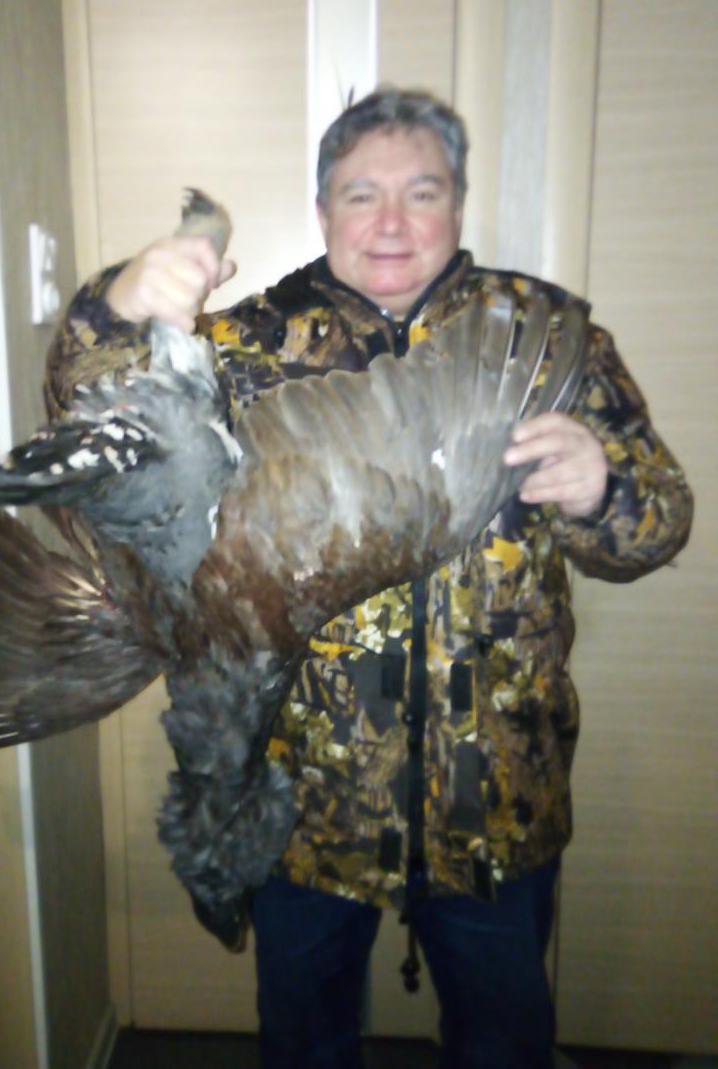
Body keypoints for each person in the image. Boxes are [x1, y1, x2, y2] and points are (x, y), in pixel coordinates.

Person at [45, 89, 693, 1069]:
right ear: (321, 212)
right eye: (360, 196)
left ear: (457, 204)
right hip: (303, 806)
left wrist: (605, 489)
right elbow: (90, 426)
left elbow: (659, 523)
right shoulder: (242, 349)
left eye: (420, 193)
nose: (391, 223)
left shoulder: (544, 340)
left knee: (503, 1049)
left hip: (496, 799)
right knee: (304, 1045)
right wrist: (113, 308)